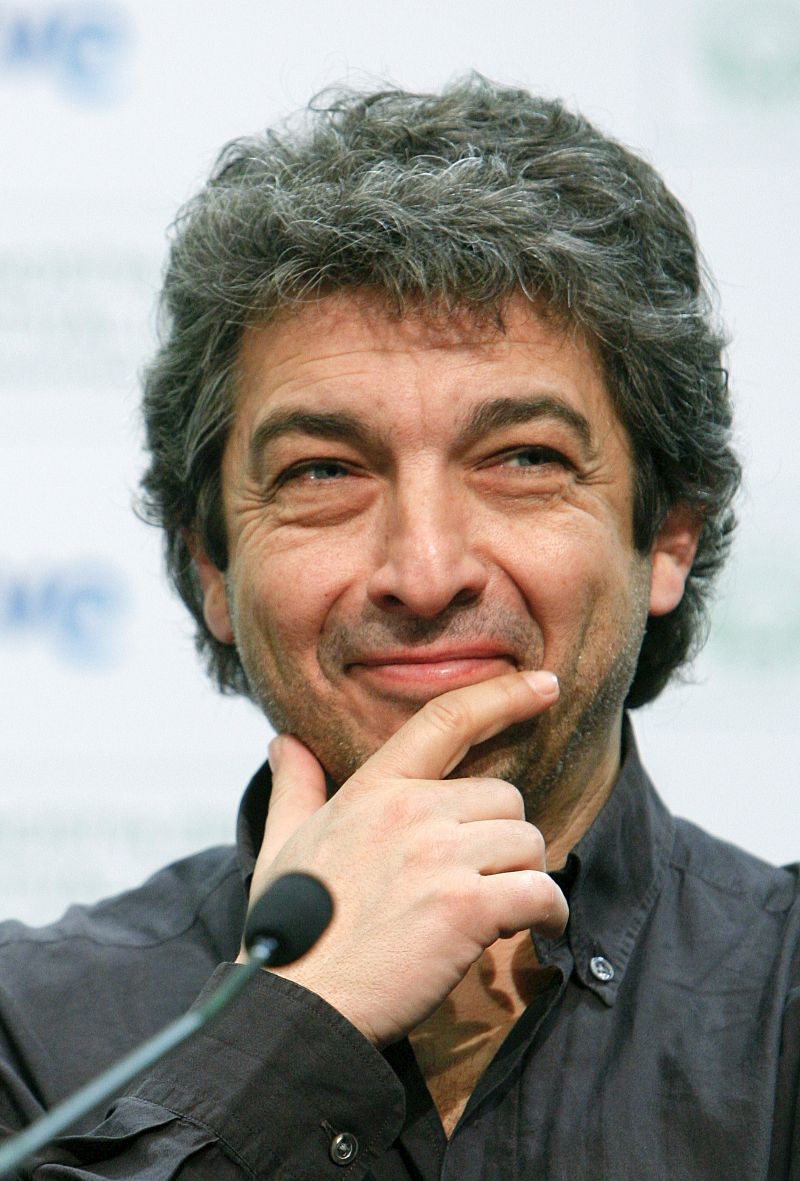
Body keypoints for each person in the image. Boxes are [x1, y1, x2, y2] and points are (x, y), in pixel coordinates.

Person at [0, 76, 797, 1180]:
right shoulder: (28, 1033)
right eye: (323, 471)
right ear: (213, 565)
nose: (424, 573)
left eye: (523, 458)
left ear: (665, 536)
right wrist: (295, 1028)